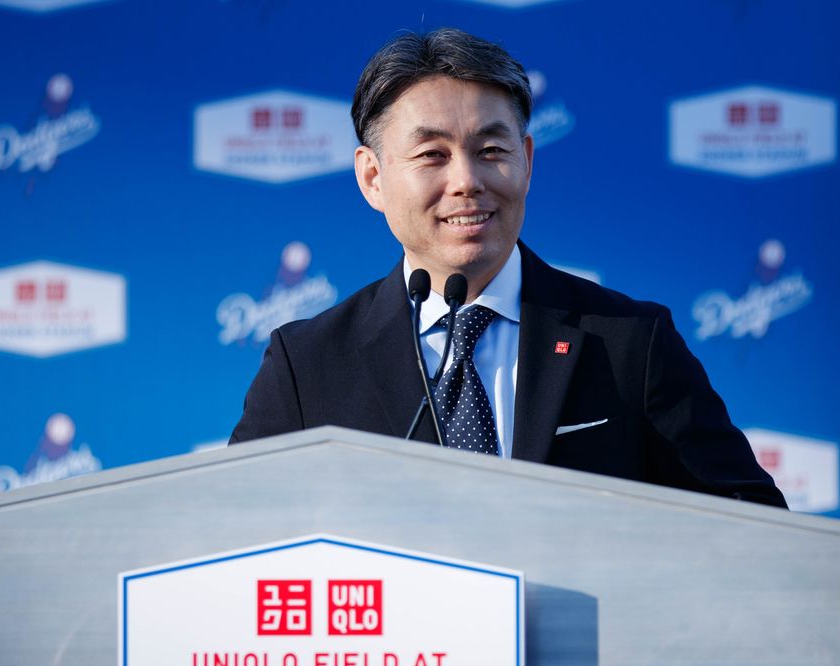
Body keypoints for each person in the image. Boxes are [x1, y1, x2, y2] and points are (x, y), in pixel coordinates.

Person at [230, 28, 786, 508]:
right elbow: (232, 537)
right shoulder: (306, 365)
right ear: (372, 177)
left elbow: (752, 526)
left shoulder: (630, 345)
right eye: (432, 155)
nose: (467, 180)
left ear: (527, 159)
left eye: (491, 150)